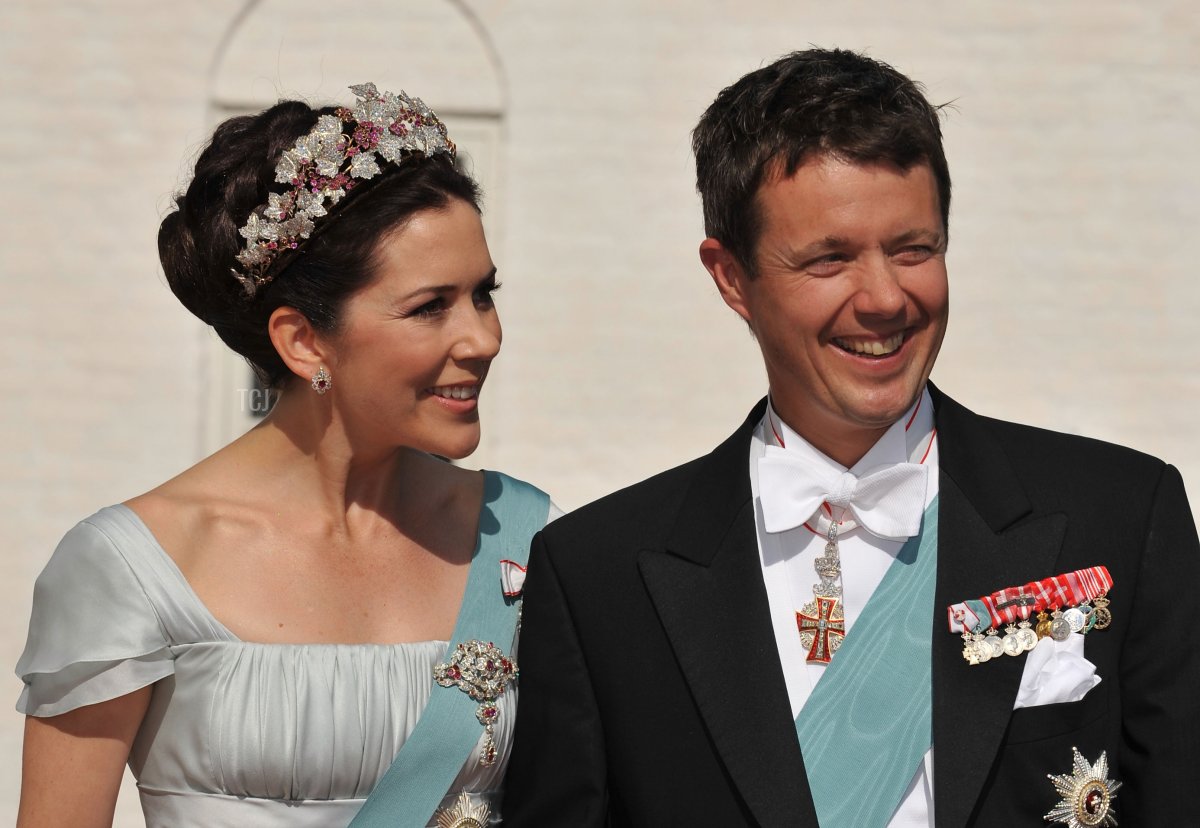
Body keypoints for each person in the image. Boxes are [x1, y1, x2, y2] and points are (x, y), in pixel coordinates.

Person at [503, 48, 1198, 827]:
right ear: (731, 277)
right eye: (829, 259)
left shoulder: (1122, 515)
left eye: (913, 249)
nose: (885, 298)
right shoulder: (598, 579)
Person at [15, 83, 554, 828]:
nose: (483, 338)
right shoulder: (134, 567)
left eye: (483, 295)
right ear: (303, 342)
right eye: (430, 307)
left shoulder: (525, 540)